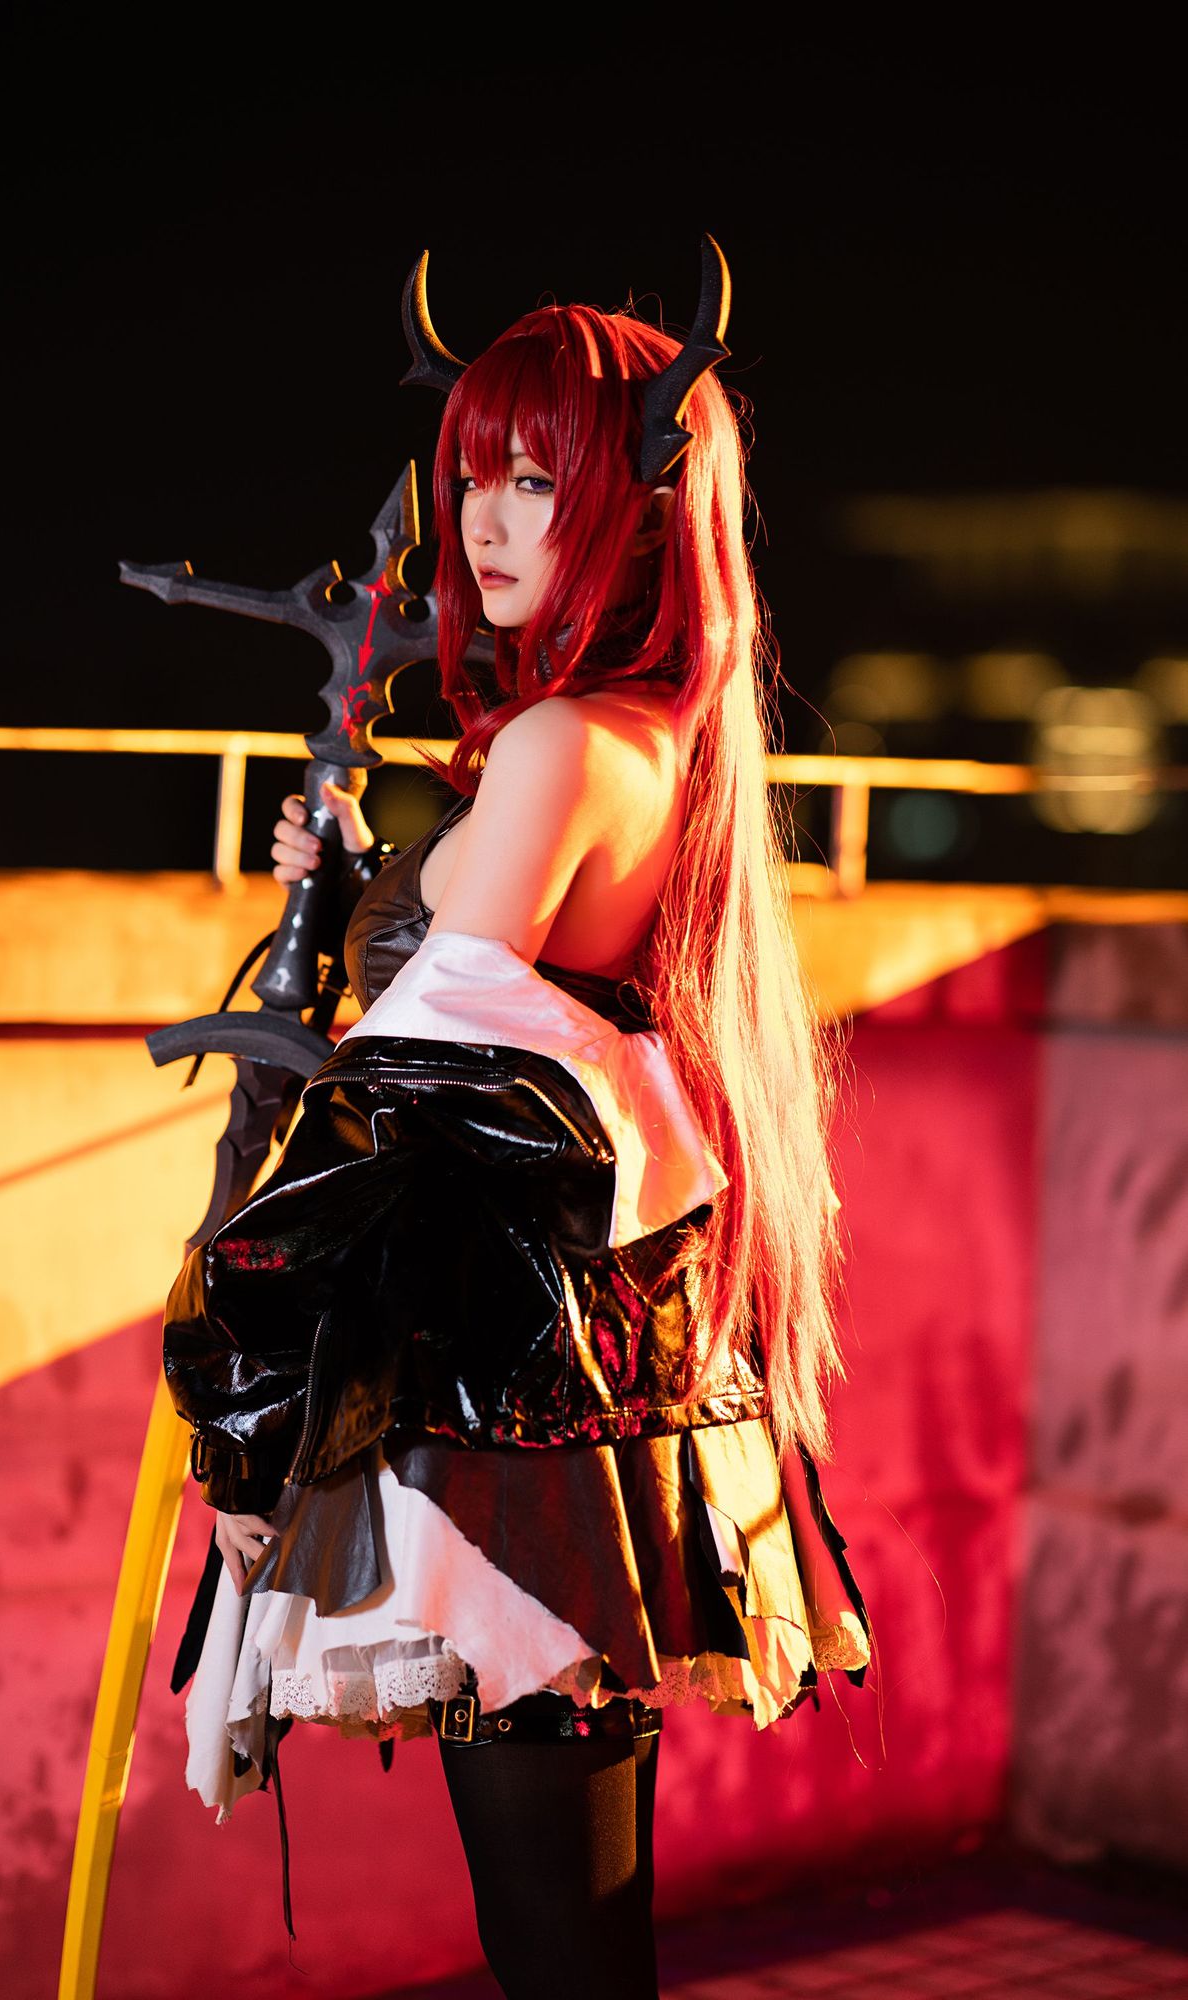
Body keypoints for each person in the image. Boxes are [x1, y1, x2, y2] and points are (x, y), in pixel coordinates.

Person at [164, 242, 872, 2000]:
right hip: (582, 1380)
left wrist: (248, 1409)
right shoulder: (655, 734)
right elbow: (496, 1018)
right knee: (578, 1918)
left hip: (505, 1397)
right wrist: (366, 892)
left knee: (555, 1933)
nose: (482, 520)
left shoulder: (560, 739)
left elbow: (407, 1108)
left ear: (639, 505)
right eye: (473, 473)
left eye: (537, 480)